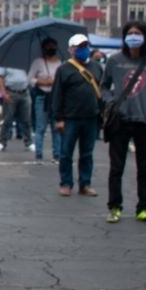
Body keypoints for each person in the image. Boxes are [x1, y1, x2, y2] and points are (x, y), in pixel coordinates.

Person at [101, 21, 146, 224]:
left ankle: (143, 207)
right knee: (116, 167)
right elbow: (103, 86)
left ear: (145, 37)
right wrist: (110, 102)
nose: (133, 36)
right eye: (129, 33)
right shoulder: (114, 61)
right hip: (120, 120)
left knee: (145, 167)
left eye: (137, 33)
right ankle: (114, 206)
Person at [52, 34, 102, 198]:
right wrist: (59, 118)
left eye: (85, 46)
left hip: (91, 117)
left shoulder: (96, 67)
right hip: (70, 118)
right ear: (70, 50)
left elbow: (101, 91)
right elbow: (57, 95)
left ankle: (85, 184)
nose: (82, 50)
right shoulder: (64, 69)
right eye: (79, 47)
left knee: (87, 153)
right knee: (66, 153)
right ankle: (66, 183)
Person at [28, 38, 63, 163]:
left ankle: (57, 155)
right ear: (43, 48)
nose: (51, 48)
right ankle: (39, 155)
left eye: (53, 46)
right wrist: (41, 81)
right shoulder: (38, 62)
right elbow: (30, 79)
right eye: (48, 46)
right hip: (42, 97)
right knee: (40, 128)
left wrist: (55, 82)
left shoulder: (60, 63)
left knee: (56, 128)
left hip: (56, 99)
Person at [0, 62, 33, 153]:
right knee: (7, 119)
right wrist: (3, 93)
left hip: (24, 92)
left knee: (26, 119)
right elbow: (0, 77)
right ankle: (2, 142)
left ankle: (29, 142)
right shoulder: (6, 62)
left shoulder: (26, 62)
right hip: (11, 92)